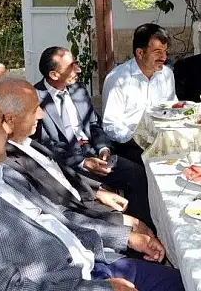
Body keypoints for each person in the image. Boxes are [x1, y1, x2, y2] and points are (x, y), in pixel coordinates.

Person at [0, 88, 184, 291]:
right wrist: (102, 289)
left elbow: (62, 217)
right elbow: (9, 287)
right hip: (77, 283)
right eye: (1, 123)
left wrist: (125, 237)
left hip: (95, 263)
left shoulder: (1, 172)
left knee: (186, 282)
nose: (8, 129)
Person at [0, 76, 157, 235]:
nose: (41, 114)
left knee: (139, 175)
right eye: (34, 110)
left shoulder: (28, 143)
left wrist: (97, 190)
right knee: (141, 233)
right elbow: (57, 213)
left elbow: (61, 173)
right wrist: (123, 232)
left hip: (90, 170)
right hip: (81, 217)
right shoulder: (8, 163)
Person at [33, 47, 154, 224]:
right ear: (54, 74)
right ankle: (127, 233)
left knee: (139, 175)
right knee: (105, 200)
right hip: (68, 166)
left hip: (95, 154)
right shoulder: (35, 99)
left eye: (76, 63)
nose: (78, 69)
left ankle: (146, 231)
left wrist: (103, 149)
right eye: (71, 66)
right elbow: (45, 146)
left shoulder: (77, 90)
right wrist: (83, 162)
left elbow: (94, 124)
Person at [102, 24, 177, 164]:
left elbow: (171, 108)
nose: (164, 57)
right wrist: (137, 139)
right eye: (157, 52)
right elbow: (110, 125)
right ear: (140, 53)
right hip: (129, 145)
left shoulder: (167, 74)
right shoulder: (118, 78)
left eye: (165, 51)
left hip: (162, 141)